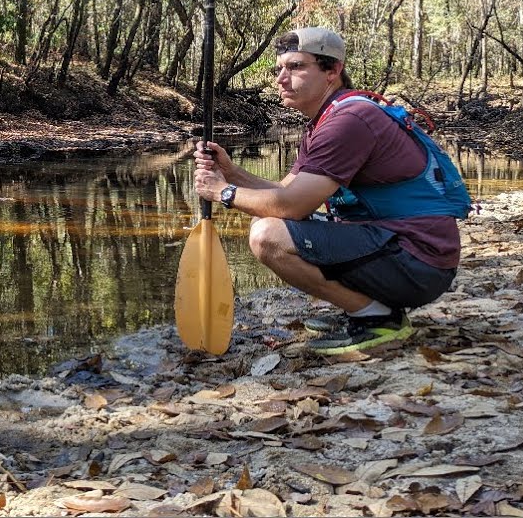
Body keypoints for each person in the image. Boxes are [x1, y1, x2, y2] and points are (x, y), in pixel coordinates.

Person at [192, 27, 469, 355]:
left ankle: (377, 318)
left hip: (419, 263)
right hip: (403, 252)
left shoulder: (350, 120)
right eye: (278, 69)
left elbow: (291, 208)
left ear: (333, 71)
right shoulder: (329, 117)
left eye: (296, 67)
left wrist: (223, 192)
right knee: (272, 226)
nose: (282, 78)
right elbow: (285, 191)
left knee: (267, 235)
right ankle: (365, 308)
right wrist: (231, 172)